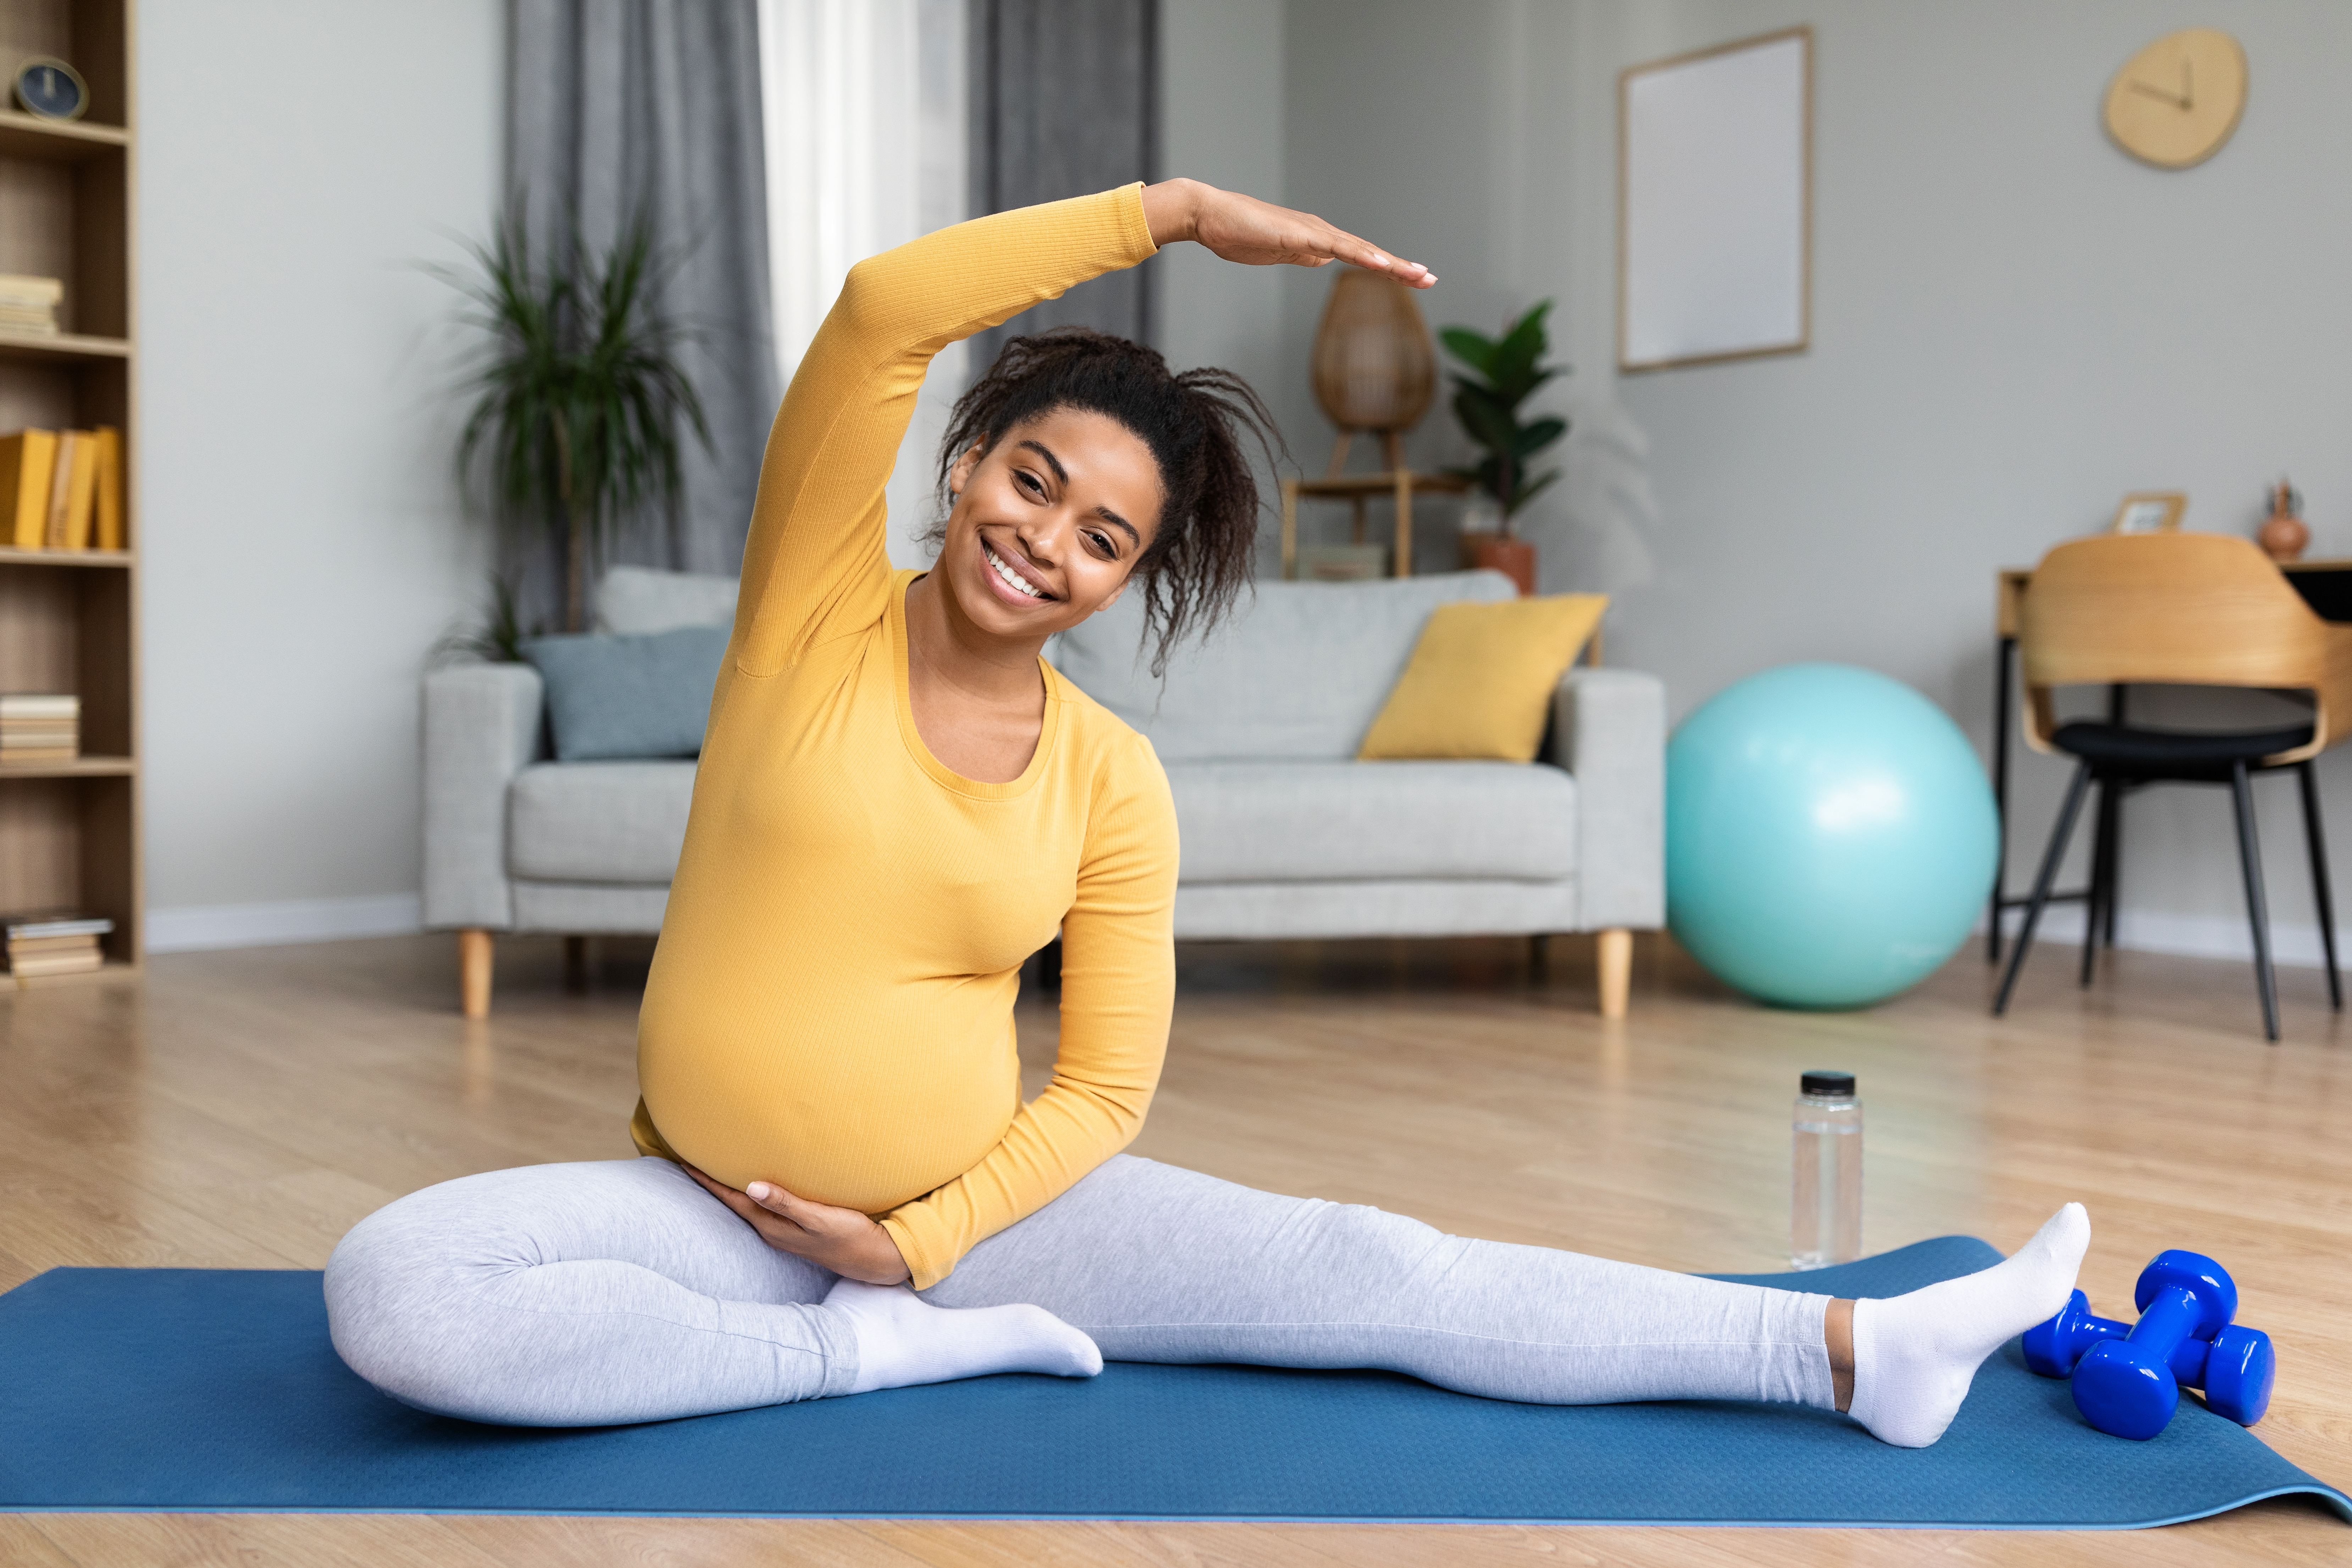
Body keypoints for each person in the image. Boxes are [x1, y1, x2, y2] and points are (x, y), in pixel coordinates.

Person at [326, 180, 2087, 1449]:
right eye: (1034, 482)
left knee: (1383, 1270)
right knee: (398, 1289)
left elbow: (1099, 1089)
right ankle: (868, 1359)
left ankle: (1853, 1353)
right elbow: (881, 311)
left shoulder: (1110, 778)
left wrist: (918, 1242)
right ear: (965, 467)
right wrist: (1164, 213)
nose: (1047, 543)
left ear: (1123, 583)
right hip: (712, 1204)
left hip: (986, 1217)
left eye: (1105, 540)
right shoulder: (811, 615)